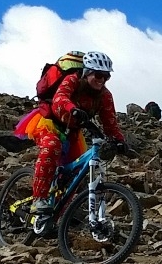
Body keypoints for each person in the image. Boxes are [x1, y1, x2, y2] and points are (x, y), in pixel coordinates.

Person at [14, 51, 126, 213]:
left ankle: (57, 215)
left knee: (76, 172)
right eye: (98, 75)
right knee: (51, 147)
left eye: (106, 77)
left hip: (73, 131)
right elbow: (60, 98)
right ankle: (39, 199)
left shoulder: (105, 96)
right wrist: (72, 109)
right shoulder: (72, 79)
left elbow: (110, 123)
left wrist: (120, 141)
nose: (101, 80)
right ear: (87, 72)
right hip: (49, 122)